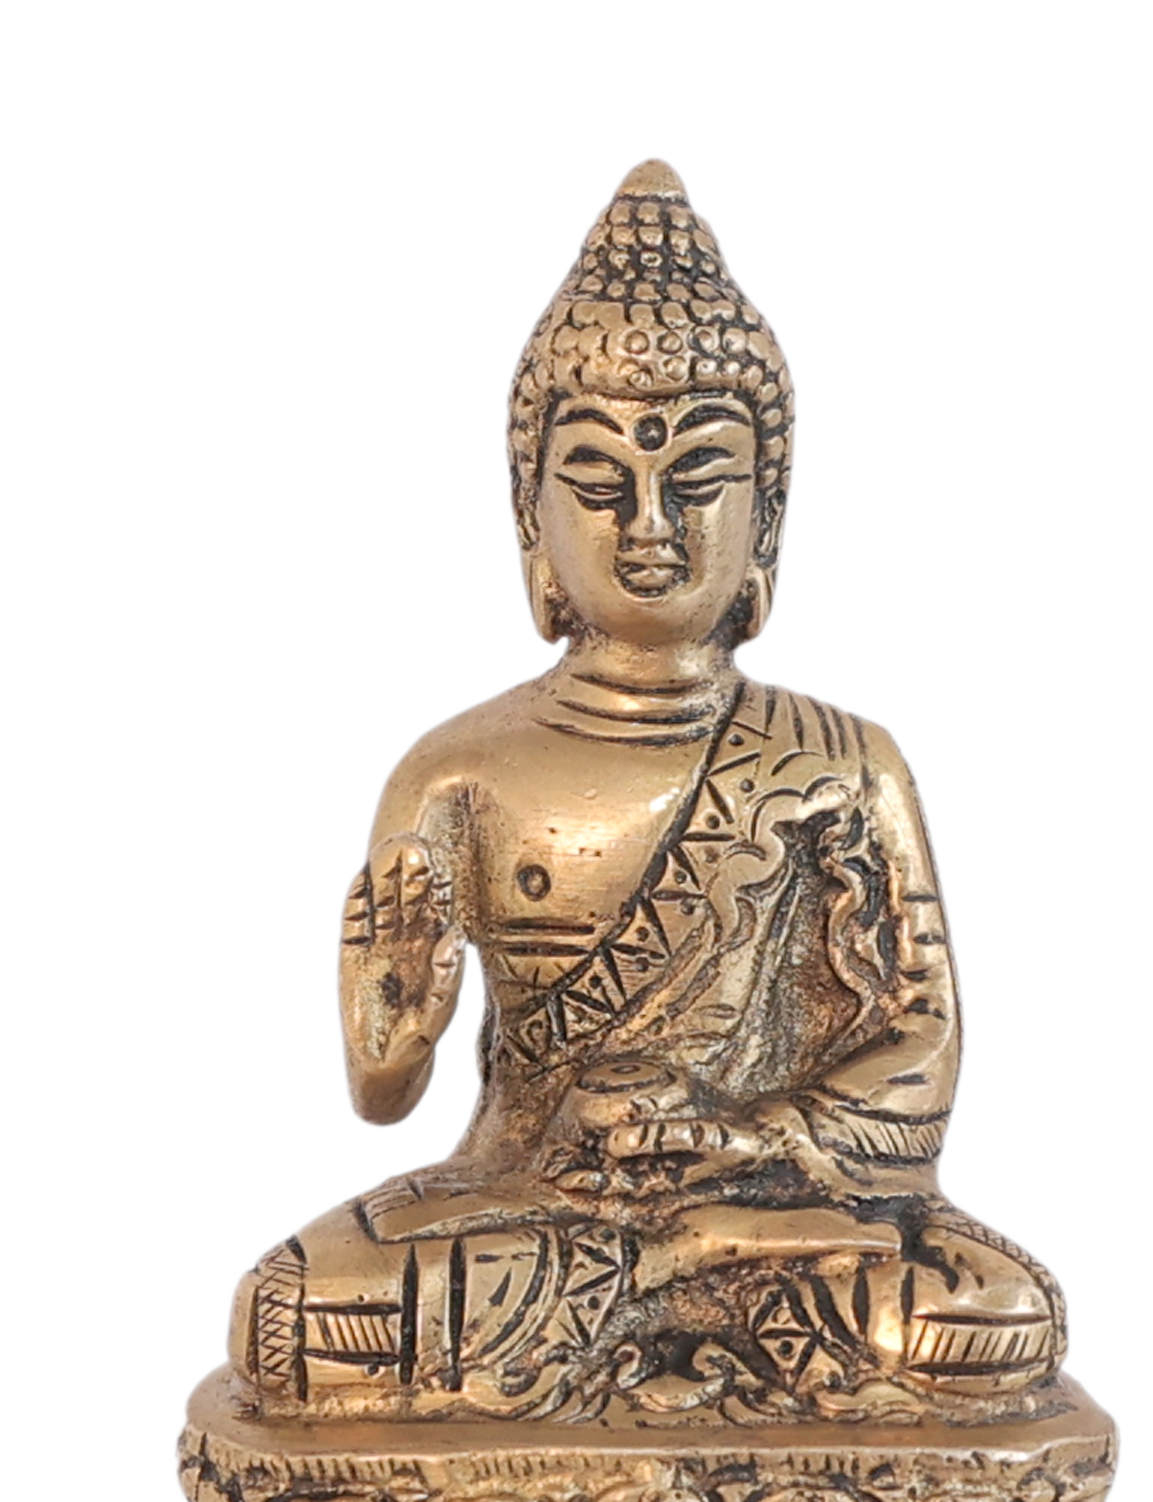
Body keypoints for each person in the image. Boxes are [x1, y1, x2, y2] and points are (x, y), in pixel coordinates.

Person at [230, 162, 1065, 1424]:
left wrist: (742, 1138)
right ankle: (666, 1290)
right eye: (597, 483)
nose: (650, 525)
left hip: (776, 1211)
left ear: (766, 515)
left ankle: (666, 1286)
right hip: (534, 1206)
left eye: (699, 478)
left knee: (995, 1312)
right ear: (530, 516)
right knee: (290, 1308)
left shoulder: (841, 761)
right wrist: (392, 1029)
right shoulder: (456, 771)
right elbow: (387, 1098)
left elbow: (921, 1046)